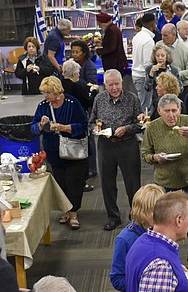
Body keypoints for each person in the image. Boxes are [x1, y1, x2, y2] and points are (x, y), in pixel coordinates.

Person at [141, 93, 188, 273]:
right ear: (159, 111)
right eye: (167, 111)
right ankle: (167, 261)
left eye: (174, 111)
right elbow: (145, 154)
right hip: (164, 183)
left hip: (187, 181)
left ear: (180, 110)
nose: (171, 115)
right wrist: (155, 157)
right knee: (162, 226)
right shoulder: (152, 128)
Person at [31, 76, 89, 230]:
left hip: (73, 152)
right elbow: (33, 127)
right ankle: (66, 211)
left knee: (74, 183)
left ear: (57, 91)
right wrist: (41, 126)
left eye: (48, 92)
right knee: (61, 183)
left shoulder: (72, 103)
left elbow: (83, 125)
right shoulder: (43, 106)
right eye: (44, 93)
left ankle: (73, 213)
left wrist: (64, 128)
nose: (46, 96)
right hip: (54, 153)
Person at [91, 69, 143, 231]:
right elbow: (92, 121)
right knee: (107, 183)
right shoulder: (99, 99)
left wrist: (127, 128)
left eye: (117, 84)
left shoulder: (132, 99)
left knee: (133, 183)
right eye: (110, 84)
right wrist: (94, 129)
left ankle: (135, 217)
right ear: (104, 85)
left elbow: (140, 123)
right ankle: (113, 217)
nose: (114, 88)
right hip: (105, 145)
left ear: (121, 82)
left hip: (127, 144)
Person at [110, 184, 165, 292]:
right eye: (155, 212)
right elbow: (116, 278)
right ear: (141, 211)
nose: (161, 216)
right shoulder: (125, 240)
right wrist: (146, 283)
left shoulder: (163, 232)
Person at [60, 59, 97, 189]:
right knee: (82, 150)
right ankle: (82, 180)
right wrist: (94, 91)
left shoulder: (59, 85)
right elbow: (89, 102)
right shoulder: (77, 87)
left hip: (63, 121)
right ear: (75, 74)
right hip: (78, 122)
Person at [156, 23, 188, 92]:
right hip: (162, 88)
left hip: (181, 88)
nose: (163, 38)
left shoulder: (184, 49)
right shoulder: (158, 45)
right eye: (162, 35)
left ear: (174, 35)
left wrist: (176, 74)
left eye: (166, 36)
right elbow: (152, 62)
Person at [131, 13, 157, 111]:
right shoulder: (148, 41)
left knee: (142, 103)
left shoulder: (137, 36)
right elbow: (148, 64)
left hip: (136, 74)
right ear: (153, 24)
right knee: (145, 106)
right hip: (143, 76)